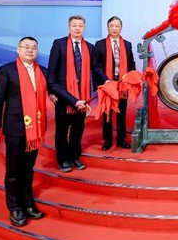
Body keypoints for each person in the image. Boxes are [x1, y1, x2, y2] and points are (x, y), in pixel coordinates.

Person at [0, 37, 51, 227]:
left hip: (36, 128)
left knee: (28, 169)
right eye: (26, 47)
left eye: (34, 48)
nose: (30, 50)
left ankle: (28, 203)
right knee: (14, 170)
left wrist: (72, 100)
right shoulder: (7, 70)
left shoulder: (43, 71)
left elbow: (54, 89)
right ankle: (14, 207)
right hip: (15, 126)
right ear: (18, 49)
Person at [48, 15, 105, 172]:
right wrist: (51, 91)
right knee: (62, 130)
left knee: (78, 129)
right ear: (69, 27)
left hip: (83, 94)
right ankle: (63, 159)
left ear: (84, 28)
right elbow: (52, 71)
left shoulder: (90, 47)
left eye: (80, 26)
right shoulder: (59, 44)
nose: (77, 28)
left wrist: (107, 80)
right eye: (74, 25)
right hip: (63, 94)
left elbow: (96, 68)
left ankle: (74, 157)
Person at [93, 16, 136, 150]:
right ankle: (107, 140)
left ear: (121, 28)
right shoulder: (100, 44)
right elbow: (95, 65)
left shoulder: (127, 44)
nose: (114, 28)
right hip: (107, 83)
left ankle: (121, 139)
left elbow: (131, 64)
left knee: (121, 113)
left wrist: (130, 78)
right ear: (108, 27)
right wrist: (105, 79)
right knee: (107, 113)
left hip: (122, 84)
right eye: (112, 26)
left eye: (117, 26)